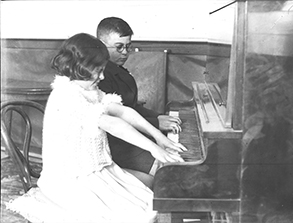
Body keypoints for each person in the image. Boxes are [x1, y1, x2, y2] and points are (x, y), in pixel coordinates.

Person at [7, 33, 186, 223]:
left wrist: (159, 136)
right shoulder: (66, 94)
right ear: (81, 67)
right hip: (72, 180)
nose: (101, 76)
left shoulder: (87, 89)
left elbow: (123, 112)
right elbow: (113, 124)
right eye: (98, 70)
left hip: (99, 170)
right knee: (139, 213)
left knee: (148, 196)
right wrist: (154, 148)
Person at [97, 17, 182, 177]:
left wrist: (159, 117)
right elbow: (117, 119)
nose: (125, 52)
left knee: (170, 155)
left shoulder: (118, 69)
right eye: (119, 47)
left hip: (130, 136)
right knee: (167, 170)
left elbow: (132, 108)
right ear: (101, 45)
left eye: (128, 46)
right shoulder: (101, 76)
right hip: (117, 144)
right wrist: (157, 123)